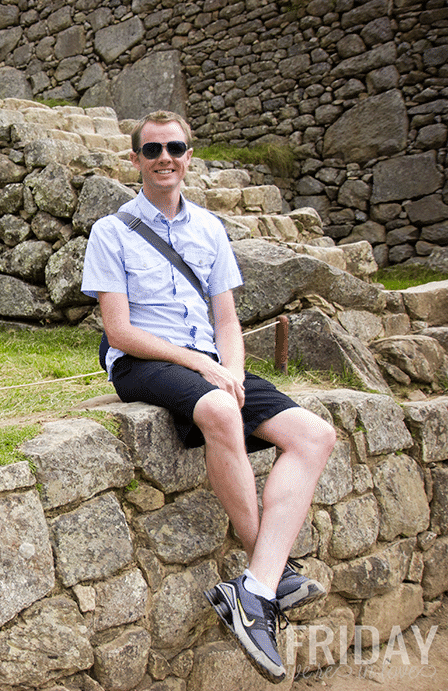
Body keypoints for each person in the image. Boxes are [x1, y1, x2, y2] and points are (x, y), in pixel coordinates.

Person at [80, 110, 337, 683]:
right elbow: (118, 331)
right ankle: (268, 581)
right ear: (135, 160)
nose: (165, 158)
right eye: (153, 150)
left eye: (175, 148)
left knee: (315, 435)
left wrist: (235, 370)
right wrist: (204, 367)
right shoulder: (112, 231)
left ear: (189, 156)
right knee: (220, 409)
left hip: (214, 364)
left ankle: (257, 587)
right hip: (145, 362)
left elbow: (226, 316)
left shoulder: (210, 229)